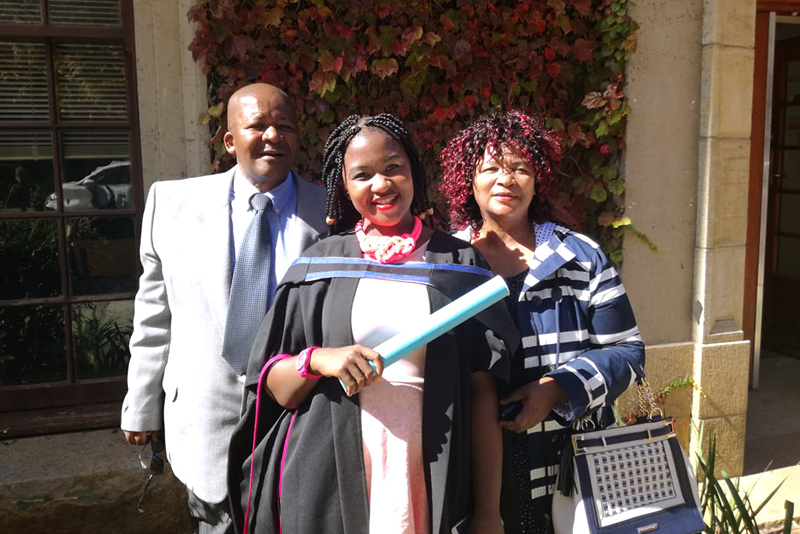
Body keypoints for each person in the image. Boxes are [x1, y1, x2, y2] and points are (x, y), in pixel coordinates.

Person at [228, 114, 519, 534]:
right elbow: (271, 384)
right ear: (343, 186)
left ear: (413, 172)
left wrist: (489, 511)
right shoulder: (320, 265)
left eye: (392, 168)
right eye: (362, 175)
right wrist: (318, 360)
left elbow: (482, 393)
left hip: (431, 466)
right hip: (331, 472)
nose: (380, 184)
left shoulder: (459, 264)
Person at [120, 83, 327, 534]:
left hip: (301, 419)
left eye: (284, 126)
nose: (272, 136)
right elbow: (155, 313)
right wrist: (141, 405)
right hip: (204, 420)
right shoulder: (171, 205)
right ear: (230, 139)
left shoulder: (333, 210)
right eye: (257, 125)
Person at [439, 110, 645, 534]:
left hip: (567, 465)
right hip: (469, 466)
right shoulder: (447, 263)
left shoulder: (580, 257)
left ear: (538, 180)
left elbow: (629, 352)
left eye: (521, 168)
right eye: (491, 167)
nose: (506, 179)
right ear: (469, 181)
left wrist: (556, 390)